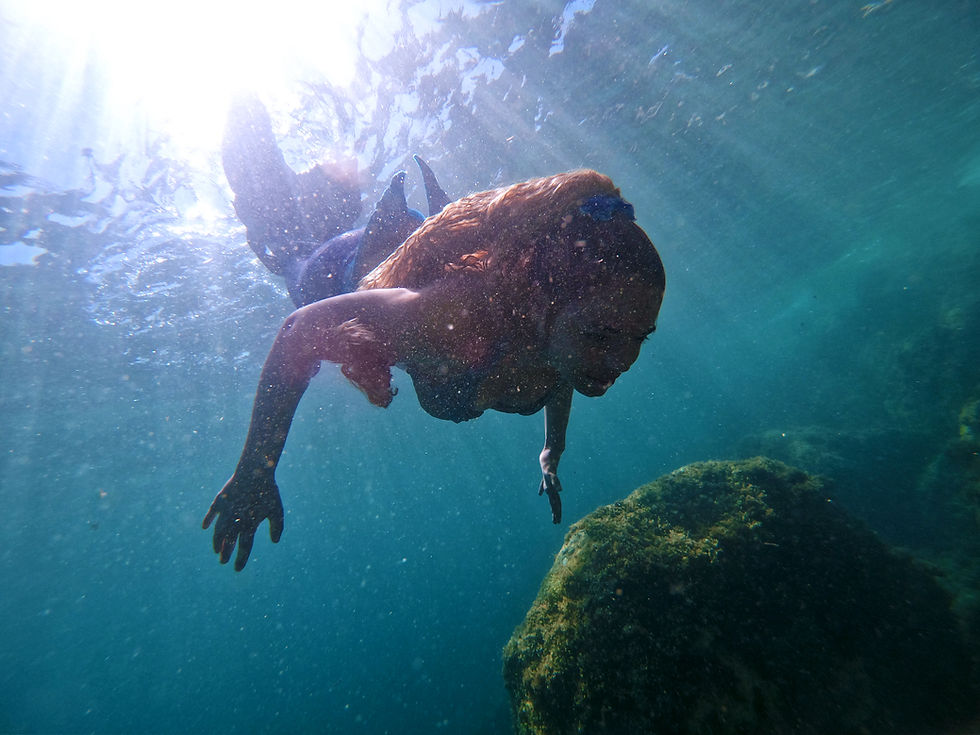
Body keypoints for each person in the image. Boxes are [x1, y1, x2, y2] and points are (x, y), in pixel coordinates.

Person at [204, 168, 666, 571]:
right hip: (339, 272)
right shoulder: (459, 317)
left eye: (639, 337)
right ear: (542, 302)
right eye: (600, 335)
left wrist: (552, 449)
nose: (623, 361)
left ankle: (384, 218)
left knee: (391, 239)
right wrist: (256, 470)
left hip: (420, 259)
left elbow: (560, 373)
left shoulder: (560, 337)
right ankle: (293, 215)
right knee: (291, 258)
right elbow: (298, 331)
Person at [221, 94, 450, 307]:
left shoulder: (274, 199)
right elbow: (352, 202)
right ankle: (423, 236)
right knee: (407, 224)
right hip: (342, 253)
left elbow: (351, 201)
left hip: (323, 271)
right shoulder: (312, 184)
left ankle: (398, 247)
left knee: (310, 278)